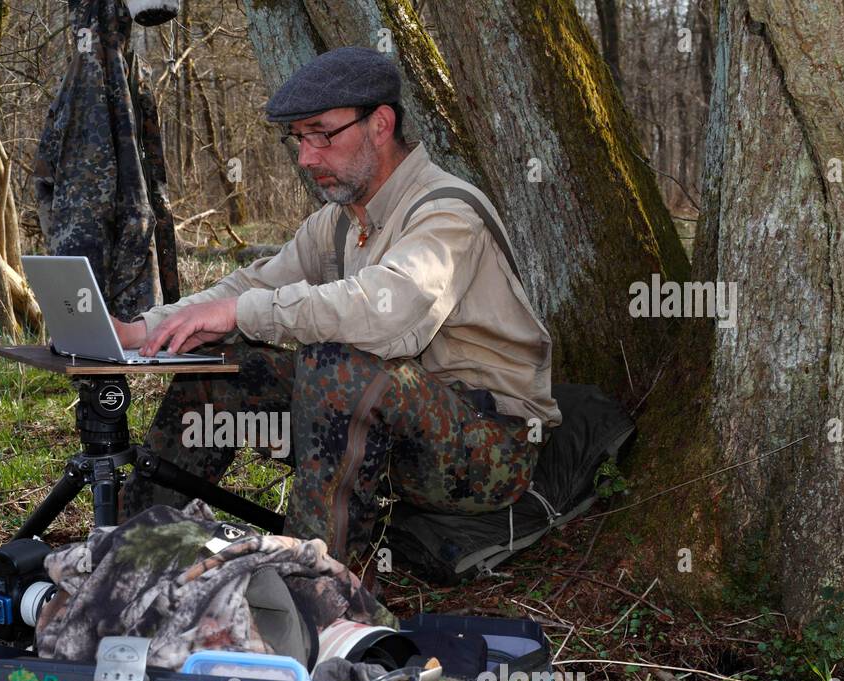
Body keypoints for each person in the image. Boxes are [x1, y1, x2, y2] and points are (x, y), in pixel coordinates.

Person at [115, 46, 561, 572]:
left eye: (322, 135)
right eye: (299, 139)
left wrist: (245, 312)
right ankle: (134, 551)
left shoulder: (446, 212)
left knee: (335, 364)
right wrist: (144, 327)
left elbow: (386, 312)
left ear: (380, 124)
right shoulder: (342, 220)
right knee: (227, 367)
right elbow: (253, 282)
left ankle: (316, 585)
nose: (306, 158)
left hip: (491, 447)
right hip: (394, 431)